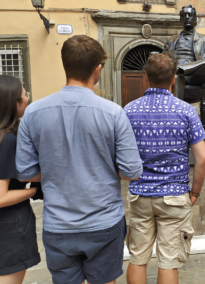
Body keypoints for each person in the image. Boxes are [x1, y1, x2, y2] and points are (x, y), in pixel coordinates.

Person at [16, 35, 143, 284]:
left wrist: (56, 169)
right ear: (97, 70)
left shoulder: (33, 112)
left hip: (58, 223)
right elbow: (132, 172)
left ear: (66, 65)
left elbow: (25, 172)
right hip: (104, 221)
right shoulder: (113, 113)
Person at [124, 53, 205, 284]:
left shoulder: (129, 111)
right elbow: (202, 158)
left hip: (140, 194)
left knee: (138, 257)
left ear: (146, 77)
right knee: (169, 261)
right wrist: (195, 193)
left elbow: (120, 155)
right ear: (173, 78)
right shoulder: (186, 111)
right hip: (174, 196)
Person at [0, 75, 42, 284]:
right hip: (9, 227)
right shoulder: (6, 139)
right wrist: (35, 190)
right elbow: (1, 197)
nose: (27, 99)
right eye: (25, 95)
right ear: (13, 102)